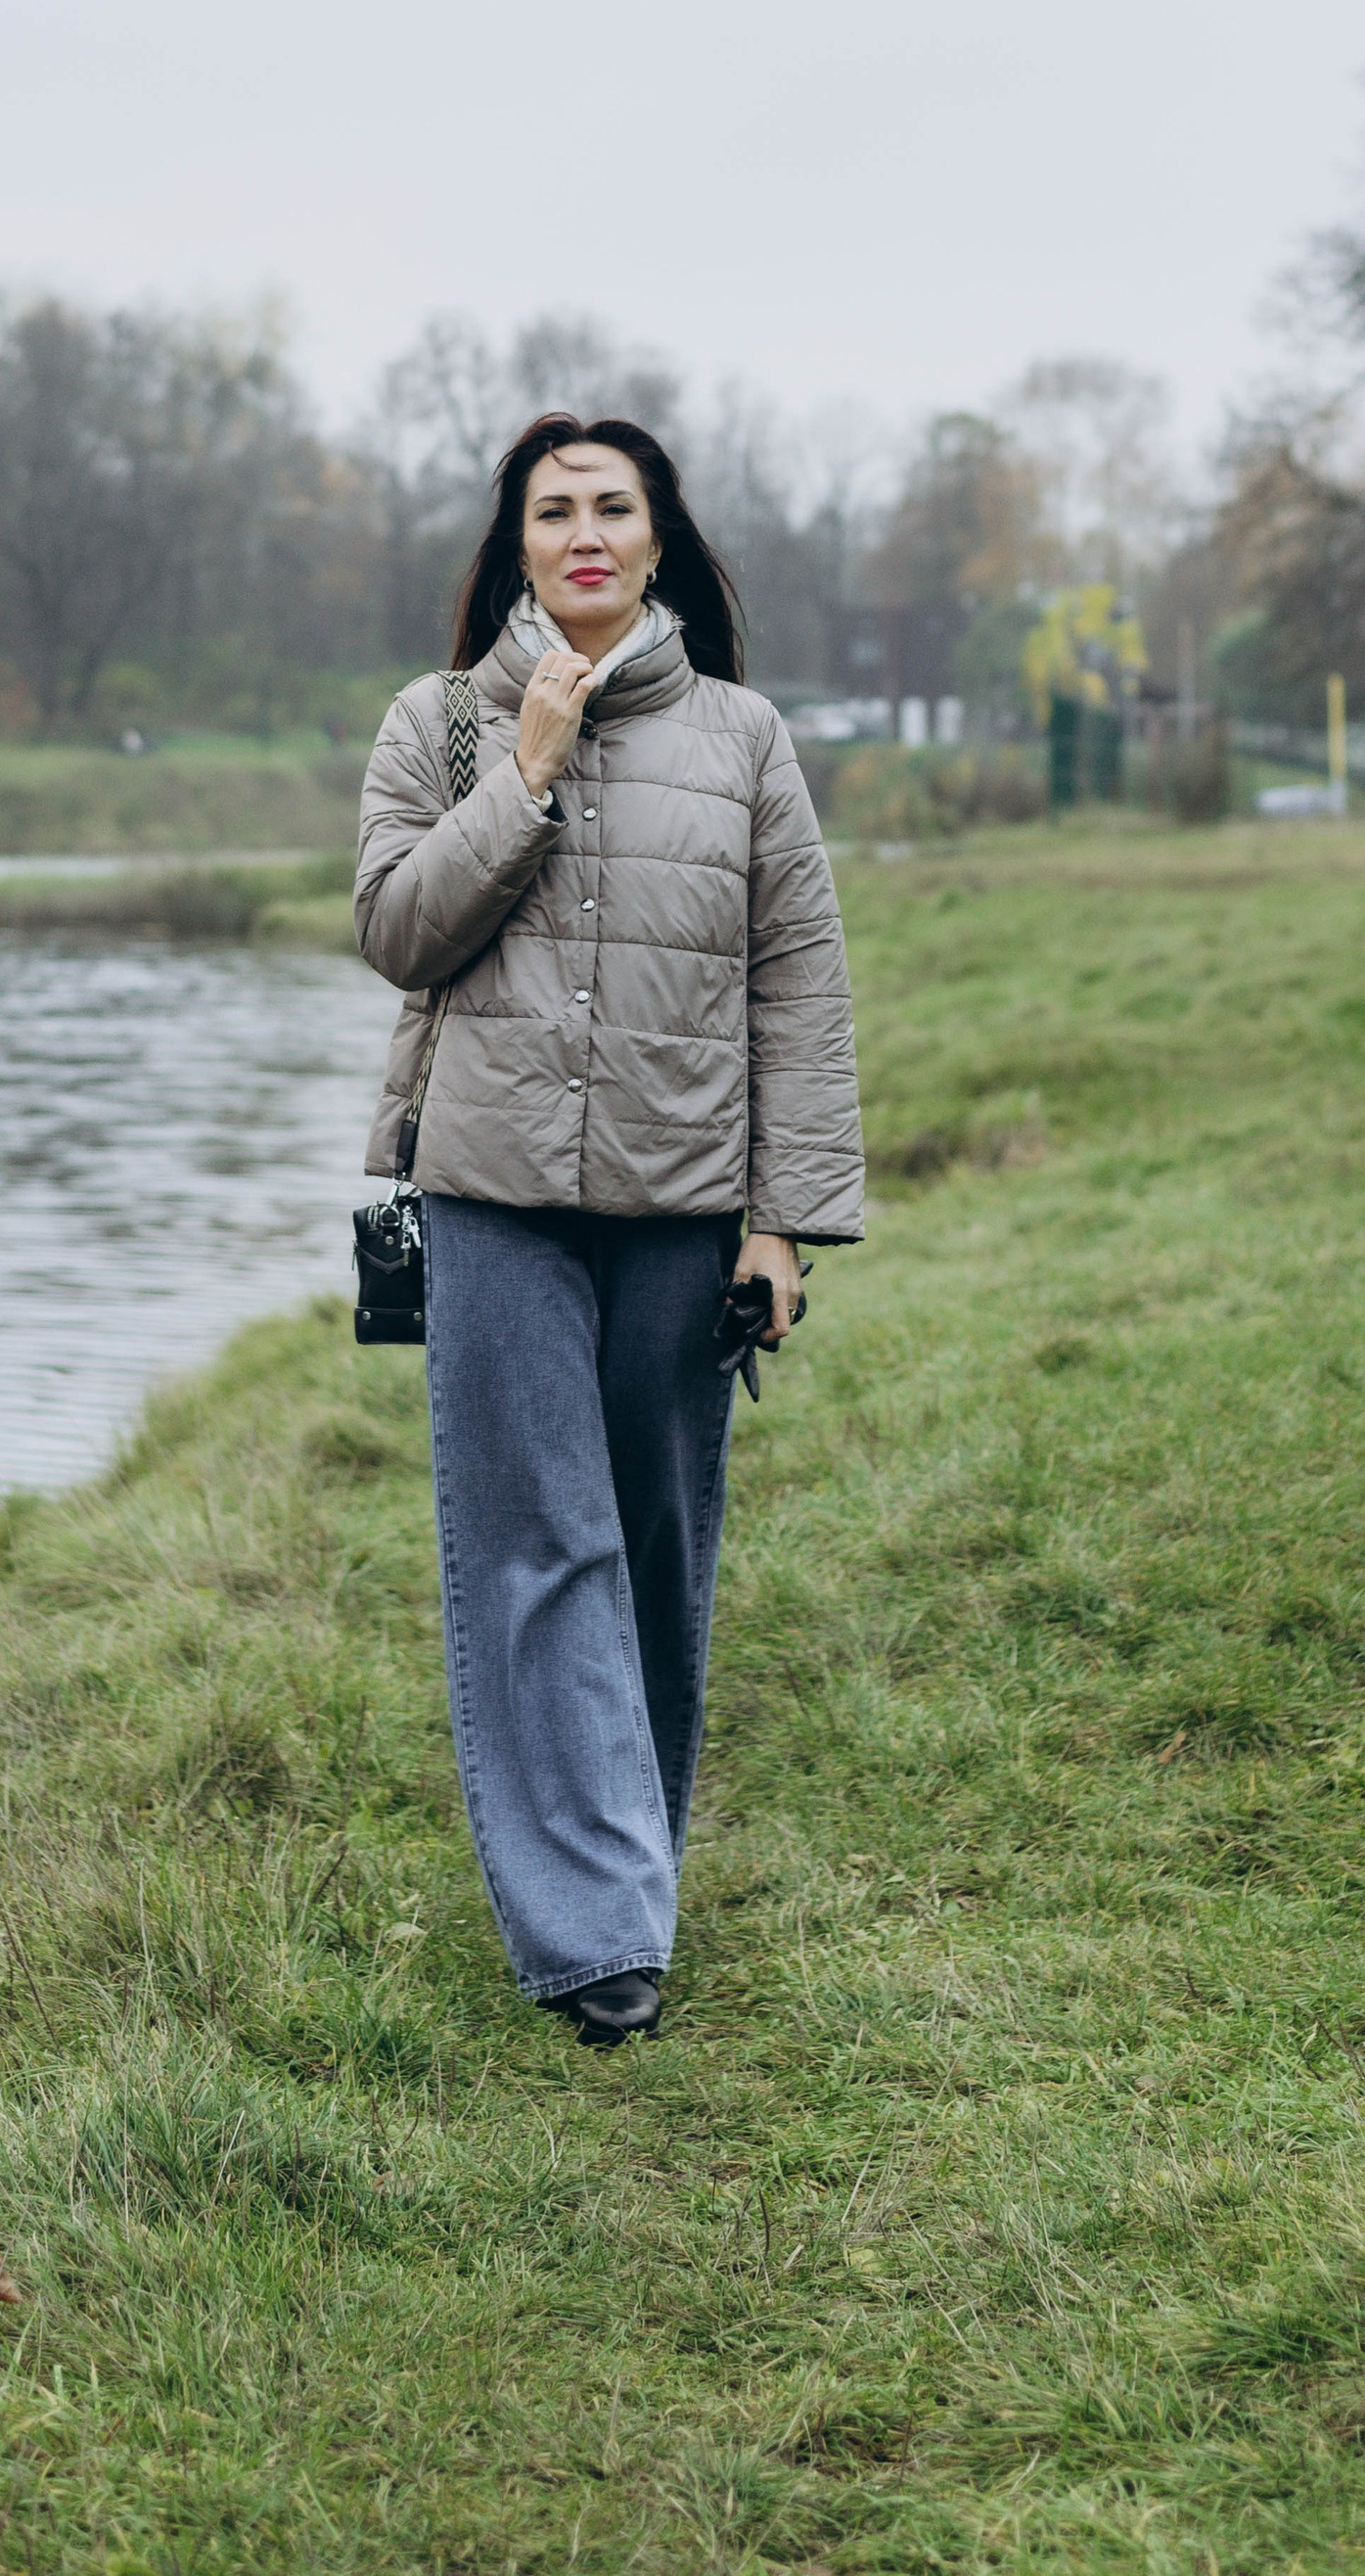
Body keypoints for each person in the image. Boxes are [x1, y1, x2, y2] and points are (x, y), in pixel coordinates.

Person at [355, 413, 864, 2046]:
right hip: (492, 1196)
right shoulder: (441, 723)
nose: (584, 531)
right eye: (553, 508)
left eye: (613, 506)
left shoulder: (745, 739)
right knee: (540, 1544)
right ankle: (600, 1941)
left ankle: (621, 1858)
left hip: (680, 1200)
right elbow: (397, 932)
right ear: (517, 543)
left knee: (652, 1544)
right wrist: (525, 771)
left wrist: (783, 1225)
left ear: (658, 539)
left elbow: (799, 989)